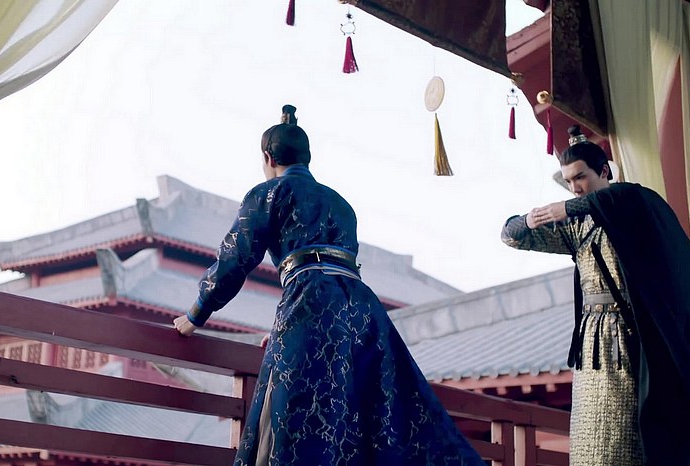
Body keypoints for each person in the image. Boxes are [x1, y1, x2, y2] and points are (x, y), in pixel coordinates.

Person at [173, 105, 483, 466]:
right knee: (369, 413)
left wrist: (196, 313)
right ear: (307, 157)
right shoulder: (342, 204)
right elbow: (334, 271)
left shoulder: (269, 193)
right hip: (362, 310)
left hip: (311, 300)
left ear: (268, 158)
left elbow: (236, 257)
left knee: (294, 417)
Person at [501, 125, 690, 465]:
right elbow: (511, 235)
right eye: (568, 181)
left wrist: (569, 208)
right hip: (591, 341)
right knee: (589, 439)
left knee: (629, 435)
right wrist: (530, 218)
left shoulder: (633, 209)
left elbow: (627, 198)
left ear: (603, 172)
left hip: (628, 337)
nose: (574, 188)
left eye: (580, 177)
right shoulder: (577, 226)